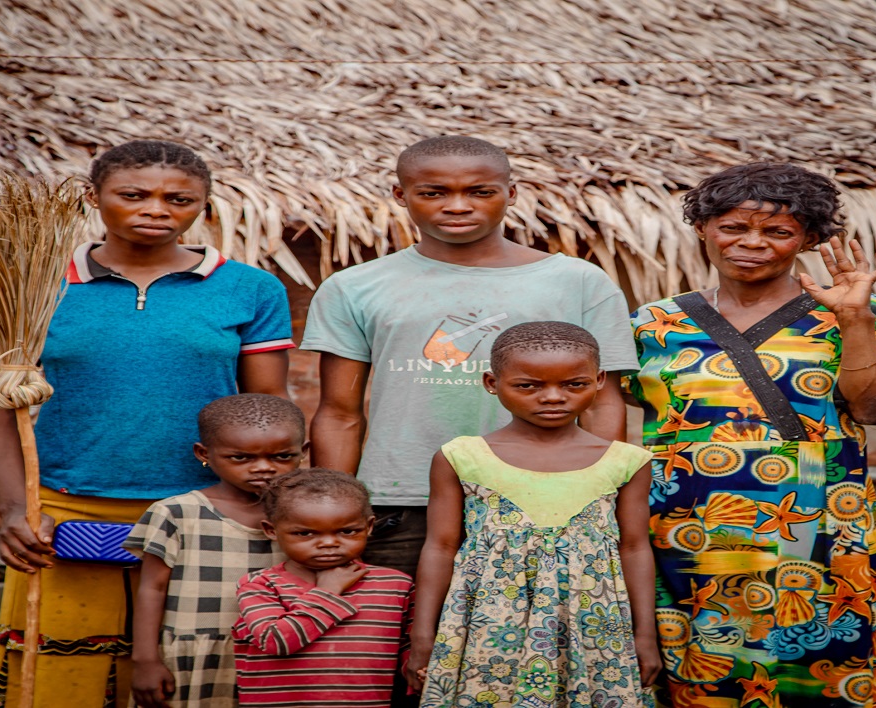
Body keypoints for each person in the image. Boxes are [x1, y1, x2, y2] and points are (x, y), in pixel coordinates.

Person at [0, 140, 295, 707]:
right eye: (133, 195)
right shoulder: (36, 286)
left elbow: (270, 411)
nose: (156, 209)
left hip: (208, 511)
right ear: (92, 196)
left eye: (179, 199)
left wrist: (266, 506)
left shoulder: (248, 289)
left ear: (203, 205)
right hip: (63, 508)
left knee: (190, 678)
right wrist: (12, 511)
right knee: (56, 681)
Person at [625, 162, 876, 707]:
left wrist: (853, 321)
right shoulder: (653, 324)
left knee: (822, 665)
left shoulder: (860, 311)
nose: (752, 243)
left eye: (777, 231)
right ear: (703, 229)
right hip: (690, 529)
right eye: (733, 227)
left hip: (821, 520)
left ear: (808, 238)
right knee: (704, 667)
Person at [301, 136, 638, 578]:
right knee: (400, 634)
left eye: (480, 192)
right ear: (401, 196)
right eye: (433, 193)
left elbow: (604, 401)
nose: (457, 206)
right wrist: (334, 508)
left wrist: (596, 488)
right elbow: (339, 413)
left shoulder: (577, 282)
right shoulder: (355, 286)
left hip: (547, 493)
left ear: (511, 194)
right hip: (401, 500)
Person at [409, 321, 661, 707]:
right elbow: (441, 547)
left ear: (599, 381)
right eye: (528, 385)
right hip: (488, 628)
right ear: (492, 383)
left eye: (574, 384)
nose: (553, 397)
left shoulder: (626, 461)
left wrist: (645, 635)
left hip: (591, 626)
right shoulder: (461, 457)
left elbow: (635, 548)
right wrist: (423, 634)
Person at [124, 394, 307, 707]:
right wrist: (144, 660)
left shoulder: (307, 516)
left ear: (302, 453)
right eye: (241, 458)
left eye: (281, 457)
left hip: (278, 657)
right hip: (194, 659)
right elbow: (151, 589)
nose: (264, 468)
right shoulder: (177, 513)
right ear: (203, 453)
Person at [232, 467, 414, 707]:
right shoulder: (260, 585)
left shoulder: (396, 586)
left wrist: (419, 670)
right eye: (305, 533)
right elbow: (277, 641)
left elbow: (410, 649)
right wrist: (328, 592)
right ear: (272, 531)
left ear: (369, 526)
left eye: (347, 531)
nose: (329, 543)